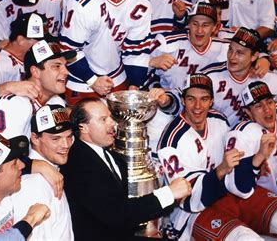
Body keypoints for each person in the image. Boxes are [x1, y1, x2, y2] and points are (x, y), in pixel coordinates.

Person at [157, 74, 277, 240]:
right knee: (245, 238)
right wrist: (222, 170)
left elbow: (237, 178)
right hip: (195, 211)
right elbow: (188, 200)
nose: (198, 106)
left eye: (204, 99)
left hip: (232, 193)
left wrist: (251, 165)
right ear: (182, 100)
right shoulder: (171, 141)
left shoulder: (218, 120)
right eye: (191, 99)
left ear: (212, 101)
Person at [60, 98, 192, 241]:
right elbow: (116, 214)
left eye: (110, 117)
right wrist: (169, 193)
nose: (113, 123)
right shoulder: (78, 162)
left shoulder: (113, 157)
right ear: (83, 127)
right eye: (103, 119)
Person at [59, 0, 152, 105]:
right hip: (81, 81)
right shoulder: (81, 1)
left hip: (117, 78)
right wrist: (92, 80)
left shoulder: (141, 3)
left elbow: (137, 51)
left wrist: (134, 85)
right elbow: (68, 50)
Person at [0, 39, 76, 139]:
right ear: (35, 72)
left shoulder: (56, 102)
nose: (66, 72)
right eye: (56, 66)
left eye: (65, 66)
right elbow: (1, 153)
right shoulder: (13, 106)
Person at [11, 104, 74, 240]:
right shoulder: (32, 184)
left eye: (69, 137)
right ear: (35, 138)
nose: (66, 145)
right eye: (55, 139)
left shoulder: (50, 171)